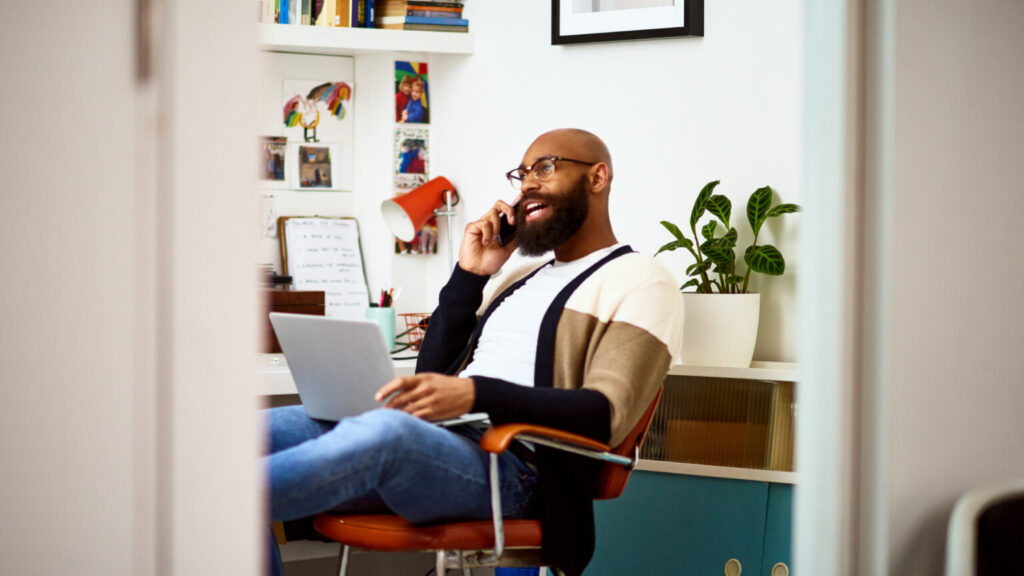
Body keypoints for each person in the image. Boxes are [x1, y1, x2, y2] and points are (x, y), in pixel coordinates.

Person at [263, 128, 683, 576]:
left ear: (597, 177)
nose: (527, 186)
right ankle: (207, 499)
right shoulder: (517, 276)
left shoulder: (641, 280)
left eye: (546, 168)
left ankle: (202, 504)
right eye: (521, 175)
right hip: (437, 440)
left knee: (387, 435)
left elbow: (606, 414)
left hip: (515, 469)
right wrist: (470, 274)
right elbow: (433, 370)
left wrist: (476, 395)